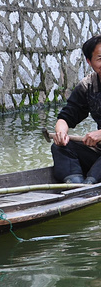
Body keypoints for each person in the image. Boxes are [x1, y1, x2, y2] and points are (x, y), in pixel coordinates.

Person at [52, 35, 101, 184]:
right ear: (89, 61)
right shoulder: (88, 86)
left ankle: (89, 184)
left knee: (93, 178)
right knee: (61, 148)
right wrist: (61, 133)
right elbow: (66, 117)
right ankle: (75, 185)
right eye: (100, 58)